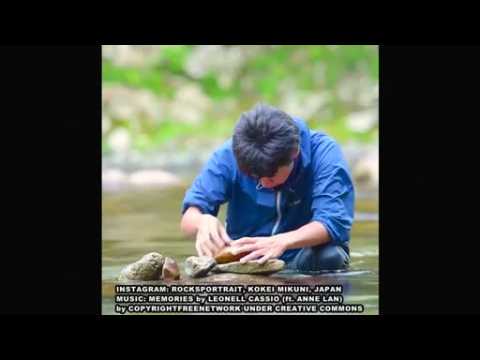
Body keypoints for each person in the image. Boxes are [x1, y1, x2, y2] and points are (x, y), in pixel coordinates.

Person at [180, 103, 355, 273]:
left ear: (294, 154)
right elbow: (189, 217)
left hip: (302, 257)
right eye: (254, 178)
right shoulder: (229, 155)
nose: (263, 184)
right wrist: (202, 221)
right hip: (243, 260)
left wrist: (282, 241)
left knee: (330, 257)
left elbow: (333, 223)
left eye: (270, 177)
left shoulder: (324, 153)